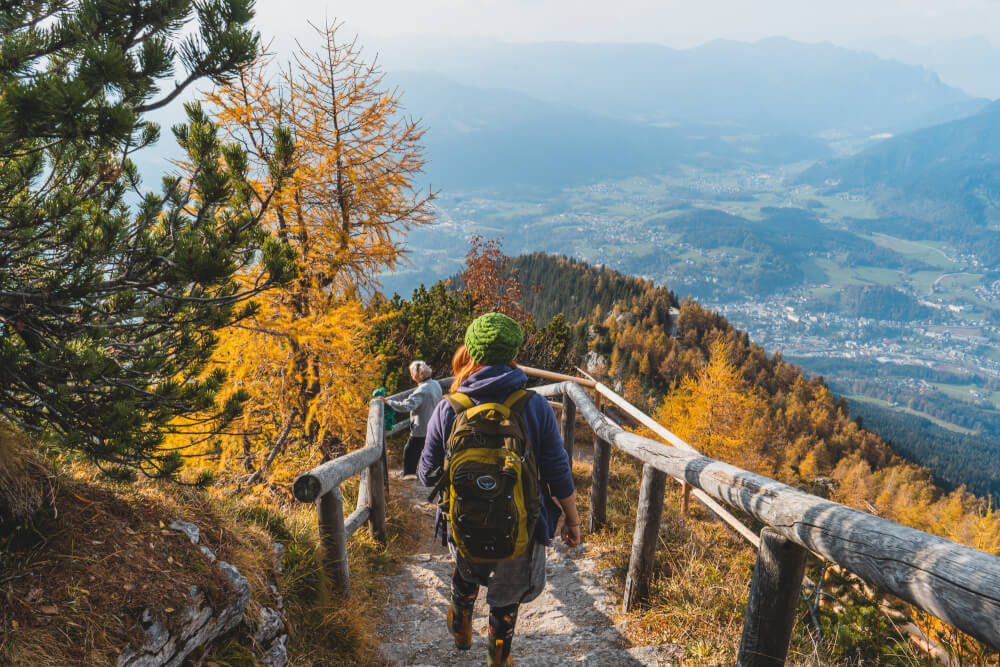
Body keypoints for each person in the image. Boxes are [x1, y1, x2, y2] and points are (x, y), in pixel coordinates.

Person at [419, 313, 581, 667]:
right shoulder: (534, 407)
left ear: (470, 351)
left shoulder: (450, 408)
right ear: (513, 354)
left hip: (463, 524)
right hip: (520, 526)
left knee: (467, 569)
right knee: (506, 596)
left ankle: (461, 617)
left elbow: (427, 474)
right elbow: (558, 470)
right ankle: (498, 655)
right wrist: (572, 520)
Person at [381, 360, 443, 477]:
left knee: (410, 451)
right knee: (427, 451)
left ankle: (408, 475)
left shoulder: (422, 390)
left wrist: (388, 402)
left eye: (411, 373)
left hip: (422, 427)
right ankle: (425, 473)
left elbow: (407, 406)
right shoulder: (435, 384)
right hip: (434, 425)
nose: (410, 375)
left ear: (418, 374)